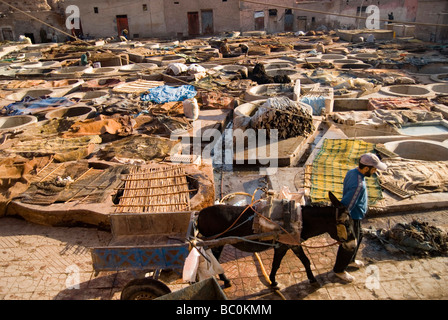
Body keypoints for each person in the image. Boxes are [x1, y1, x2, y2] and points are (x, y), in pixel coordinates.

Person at [332, 153, 387, 282]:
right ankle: (339, 270)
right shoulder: (359, 185)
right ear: (366, 168)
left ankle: (351, 260)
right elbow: (348, 205)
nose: (375, 172)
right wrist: (342, 224)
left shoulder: (352, 172)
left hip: (357, 216)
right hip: (353, 217)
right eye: (374, 169)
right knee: (349, 244)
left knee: (359, 235)